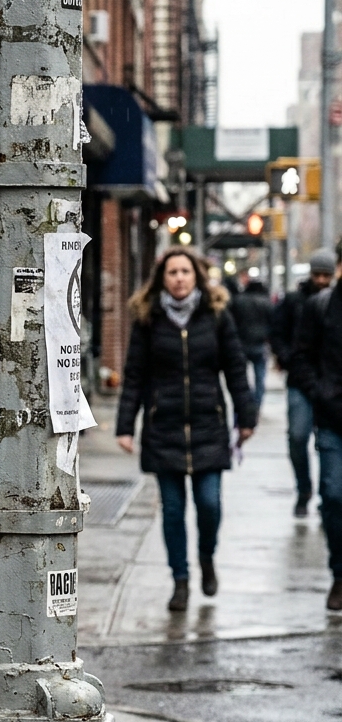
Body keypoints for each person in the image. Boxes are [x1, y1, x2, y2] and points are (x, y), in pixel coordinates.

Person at [116, 247, 257, 612]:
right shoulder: (149, 318)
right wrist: (125, 426)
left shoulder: (216, 315)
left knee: (209, 504)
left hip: (209, 425)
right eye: (172, 272)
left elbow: (236, 368)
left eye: (185, 272)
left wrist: (246, 417)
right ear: (162, 278)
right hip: (164, 428)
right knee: (174, 511)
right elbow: (134, 376)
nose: (179, 278)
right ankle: (180, 580)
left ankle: (206, 557)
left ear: (196, 276)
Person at [285, 257, 342, 611]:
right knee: (334, 495)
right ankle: (339, 573)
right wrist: (320, 392)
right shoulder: (321, 306)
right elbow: (300, 356)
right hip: (334, 419)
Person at [270, 250, 336, 518]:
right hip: (300, 381)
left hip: (330, 385)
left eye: (326, 275)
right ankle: (304, 488)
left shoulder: (334, 302)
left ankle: (327, 494)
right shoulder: (294, 301)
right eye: (317, 274)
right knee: (298, 437)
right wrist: (287, 359)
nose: (321, 279)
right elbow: (277, 332)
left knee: (328, 443)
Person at [229, 278, 273, 412]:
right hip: (259, 345)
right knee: (260, 379)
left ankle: (243, 406)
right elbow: (273, 323)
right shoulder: (266, 302)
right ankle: (256, 406)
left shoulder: (238, 301)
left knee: (241, 378)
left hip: (241, 344)